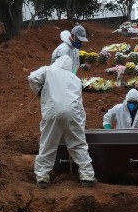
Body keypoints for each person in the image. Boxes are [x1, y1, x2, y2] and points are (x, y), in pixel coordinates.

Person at [28, 55, 97, 189]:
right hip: (72, 113)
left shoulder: (48, 70)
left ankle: (42, 177)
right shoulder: (75, 79)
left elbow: (33, 78)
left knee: (47, 144)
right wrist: (80, 126)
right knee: (78, 144)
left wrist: (40, 91)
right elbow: (79, 104)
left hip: (52, 112)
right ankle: (87, 176)